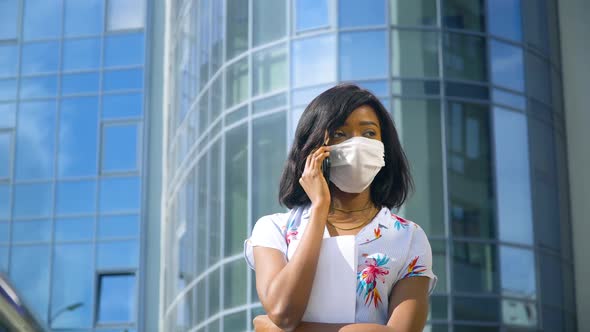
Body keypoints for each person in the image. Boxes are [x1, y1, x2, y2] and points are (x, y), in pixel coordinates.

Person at [243, 83, 437, 332]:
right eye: (339, 133)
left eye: (369, 133)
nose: (357, 145)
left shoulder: (408, 237)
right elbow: (283, 312)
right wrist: (320, 208)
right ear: (313, 148)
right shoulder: (273, 229)